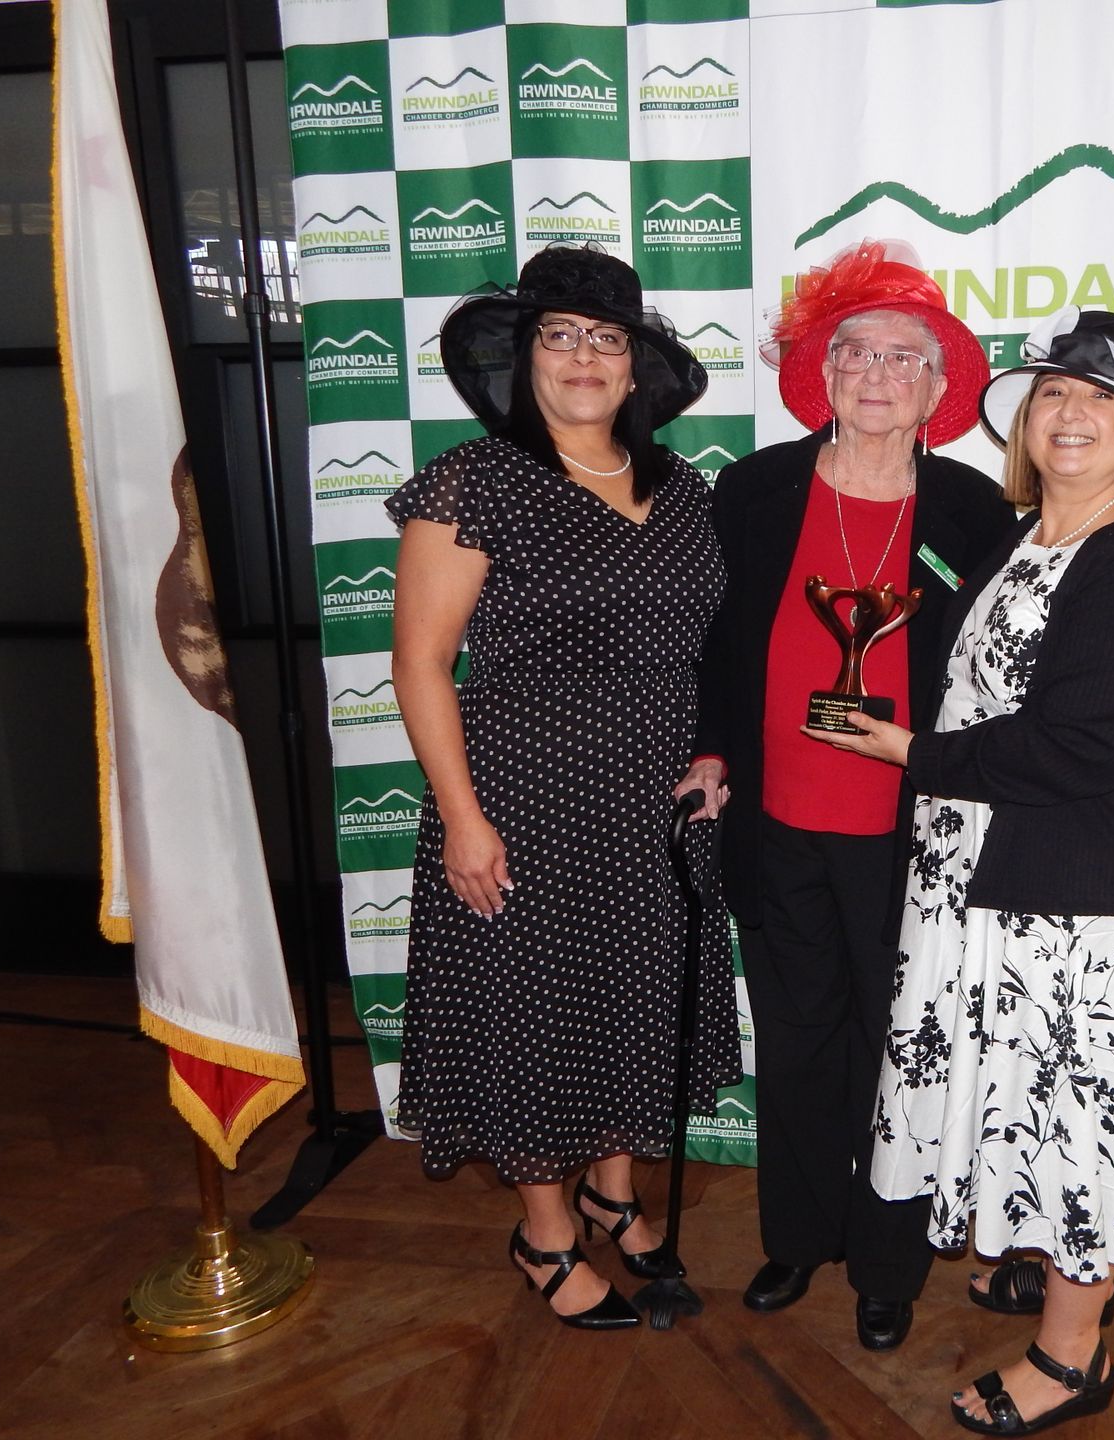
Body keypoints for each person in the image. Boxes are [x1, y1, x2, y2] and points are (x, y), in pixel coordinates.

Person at [805, 308, 1114, 1432]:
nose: (1072, 415)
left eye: (1102, 401)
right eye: (1053, 395)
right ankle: (1054, 1270)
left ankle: (1074, 1357)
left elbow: (1077, 746)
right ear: (1023, 423)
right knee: (1031, 1108)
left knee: (1083, 1120)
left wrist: (908, 751)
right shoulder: (1021, 543)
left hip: (1092, 901)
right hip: (999, 880)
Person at [386, 244, 740, 1331]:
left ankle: (613, 1192)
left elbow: (712, 648)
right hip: (522, 797)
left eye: (606, 339)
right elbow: (420, 663)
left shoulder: (687, 488)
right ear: (523, 359)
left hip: (657, 804)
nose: (585, 357)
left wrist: (715, 753)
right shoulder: (474, 480)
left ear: (637, 369)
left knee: (636, 999)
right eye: (560, 336)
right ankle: (544, 1234)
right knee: (534, 1016)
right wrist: (462, 818)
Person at [677, 240, 1016, 1351]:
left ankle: (886, 1264)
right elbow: (717, 650)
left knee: (895, 1047)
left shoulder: (972, 511)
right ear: (823, 375)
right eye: (853, 352)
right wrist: (716, 753)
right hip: (778, 826)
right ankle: (795, 1238)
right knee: (800, 1034)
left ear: (936, 386)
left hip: (908, 838)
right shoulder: (758, 489)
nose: (875, 373)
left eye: (901, 357)